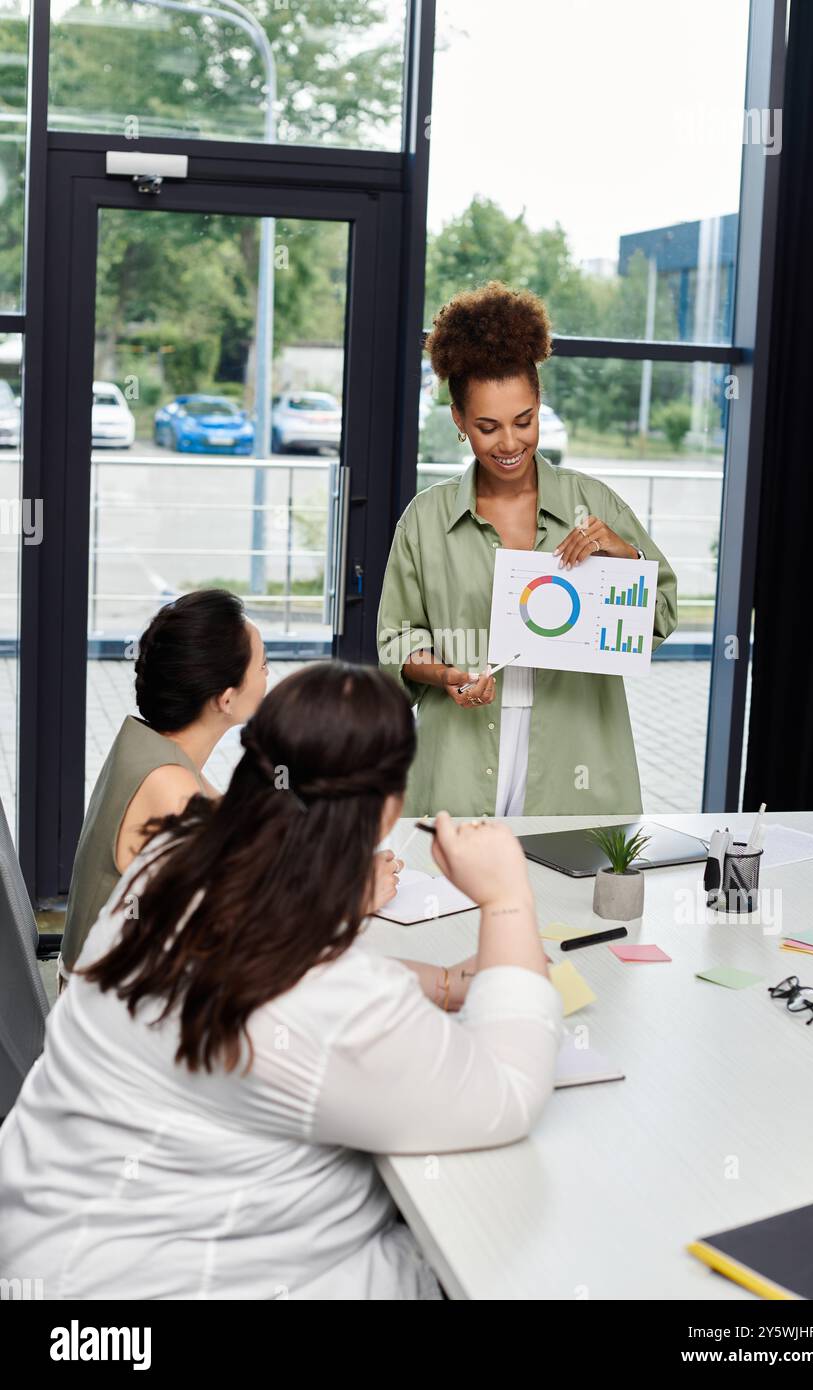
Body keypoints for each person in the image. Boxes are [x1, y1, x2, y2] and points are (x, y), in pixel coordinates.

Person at [0, 663, 561, 1300]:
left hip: (45, 1244)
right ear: (388, 809)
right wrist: (506, 896)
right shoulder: (328, 1002)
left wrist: (439, 984)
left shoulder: (174, 859)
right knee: (491, 1244)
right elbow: (508, 1093)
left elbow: (271, 971)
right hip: (149, 1289)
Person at [377, 281, 678, 817]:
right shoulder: (425, 521)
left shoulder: (593, 502)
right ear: (459, 421)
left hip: (575, 762)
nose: (510, 444)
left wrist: (626, 558)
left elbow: (660, 620)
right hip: (459, 762)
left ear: (539, 405)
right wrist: (445, 675)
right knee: (452, 899)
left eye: (524, 421)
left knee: (568, 898)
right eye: (487, 427)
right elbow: (399, 639)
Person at [58, 589, 269, 986]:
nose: (268, 675)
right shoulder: (171, 787)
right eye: (263, 665)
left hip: (117, 984)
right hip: (111, 1015)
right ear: (226, 699)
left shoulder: (152, 743)